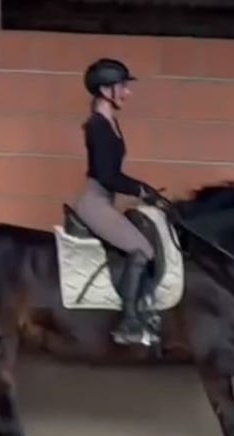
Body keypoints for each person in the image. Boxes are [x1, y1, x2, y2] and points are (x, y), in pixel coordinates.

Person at [73, 57, 162, 347]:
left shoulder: (112, 123)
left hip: (105, 198)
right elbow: (106, 175)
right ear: (105, 90)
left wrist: (145, 191)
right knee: (142, 249)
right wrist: (142, 189)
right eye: (123, 87)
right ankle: (129, 322)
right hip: (95, 200)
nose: (128, 92)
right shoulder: (97, 126)